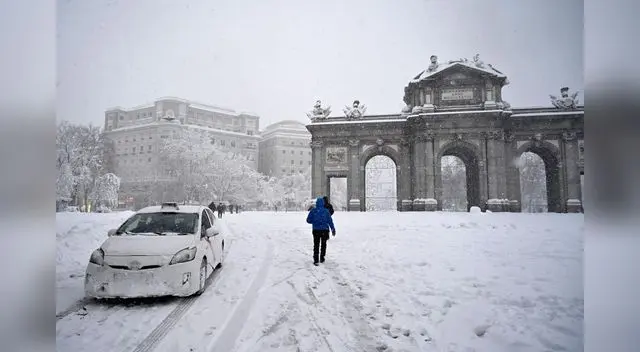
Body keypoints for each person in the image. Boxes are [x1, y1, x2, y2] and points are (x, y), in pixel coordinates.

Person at [306, 197, 336, 266]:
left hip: (316, 230)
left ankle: (316, 260)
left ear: (317, 203)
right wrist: (333, 229)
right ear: (323, 203)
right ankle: (322, 258)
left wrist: (314, 221)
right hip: (324, 230)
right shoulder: (326, 211)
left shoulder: (313, 210)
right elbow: (330, 221)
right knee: (323, 244)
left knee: (316, 245)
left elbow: (308, 220)